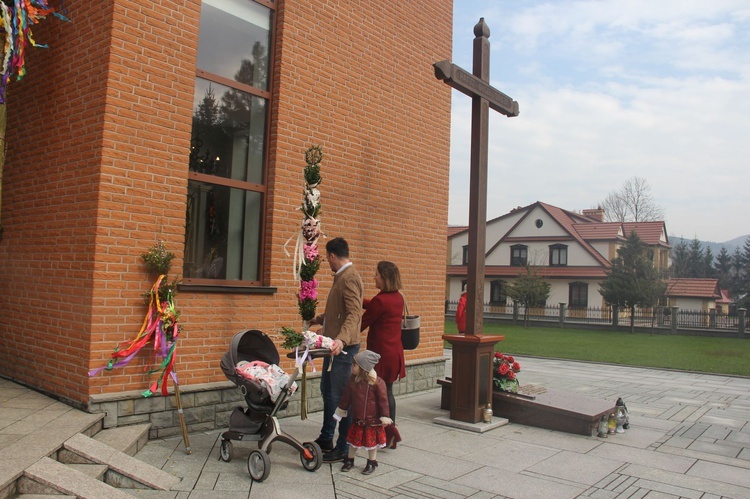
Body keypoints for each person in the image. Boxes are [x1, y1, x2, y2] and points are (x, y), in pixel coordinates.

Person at [308, 237, 363, 462]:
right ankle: (326, 437)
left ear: (332, 255)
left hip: (343, 350)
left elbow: (353, 313)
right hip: (334, 348)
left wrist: (340, 339)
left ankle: (343, 447)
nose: (327, 263)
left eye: (327, 258)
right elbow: (338, 311)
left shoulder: (349, 277)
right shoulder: (341, 276)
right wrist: (318, 319)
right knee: (328, 392)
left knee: (341, 398)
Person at [360, 261, 405, 448]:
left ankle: (382, 434)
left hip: (380, 355)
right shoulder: (398, 298)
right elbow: (377, 306)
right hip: (394, 353)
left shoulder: (381, 301)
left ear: (385, 278)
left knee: (376, 393)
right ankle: (389, 433)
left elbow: (362, 323)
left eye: (376, 274)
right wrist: (360, 299)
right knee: (388, 392)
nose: (374, 277)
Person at [334, 350, 392, 475]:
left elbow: (383, 401)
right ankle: (350, 460)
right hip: (358, 419)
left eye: (354, 366)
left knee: (372, 443)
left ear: (363, 368)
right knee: (354, 442)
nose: (351, 368)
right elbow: (346, 397)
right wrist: (341, 410)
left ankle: (372, 461)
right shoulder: (353, 380)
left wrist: (385, 416)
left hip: (373, 421)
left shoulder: (377, 383)